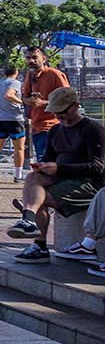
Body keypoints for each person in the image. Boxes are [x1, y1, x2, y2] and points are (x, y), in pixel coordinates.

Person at [8, 87, 105, 264]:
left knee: (39, 199)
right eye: (56, 113)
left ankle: (38, 241)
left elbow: (98, 167)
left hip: (89, 183)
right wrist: (42, 167)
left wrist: (59, 168)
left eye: (63, 112)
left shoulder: (93, 129)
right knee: (32, 178)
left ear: (75, 106)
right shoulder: (55, 130)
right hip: (64, 177)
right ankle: (29, 221)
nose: (60, 117)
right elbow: (48, 159)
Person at [23, 45, 70, 162]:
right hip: (36, 126)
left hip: (53, 126)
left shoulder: (55, 74)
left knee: (45, 163)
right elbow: (25, 97)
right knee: (43, 163)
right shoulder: (30, 75)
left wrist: (43, 103)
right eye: (28, 58)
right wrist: (29, 101)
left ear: (43, 59)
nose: (31, 60)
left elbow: (68, 98)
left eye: (35, 57)